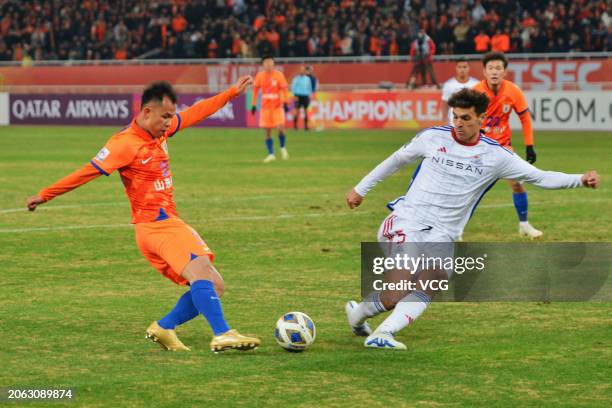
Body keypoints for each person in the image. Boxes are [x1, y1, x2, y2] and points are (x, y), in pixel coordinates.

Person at [344, 88, 600, 350]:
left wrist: (579, 179)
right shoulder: (433, 137)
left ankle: (381, 331)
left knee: (430, 282)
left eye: (466, 118)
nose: (459, 123)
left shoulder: (496, 156)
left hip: (443, 233)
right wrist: (361, 189)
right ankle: (360, 316)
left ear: (482, 119)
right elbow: (396, 160)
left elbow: (540, 177)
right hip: (407, 222)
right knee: (396, 292)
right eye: (456, 117)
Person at [26, 78, 261, 353]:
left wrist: (231, 93)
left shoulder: (160, 130)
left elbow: (197, 112)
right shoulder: (123, 144)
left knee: (215, 285)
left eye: (171, 117)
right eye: (165, 117)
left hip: (166, 222)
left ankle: (164, 326)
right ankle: (222, 333)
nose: (169, 123)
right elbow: (86, 172)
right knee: (201, 273)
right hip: (155, 224)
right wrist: (45, 194)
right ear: (146, 112)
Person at [473, 52, 541, 238]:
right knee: (470, 189)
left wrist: (529, 145)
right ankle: (455, 231)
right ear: (484, 71)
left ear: (504, 71)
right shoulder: (475, 92)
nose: (494, 72)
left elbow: (525, 118)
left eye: (498, 68)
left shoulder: (513, 91)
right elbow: (466, 118)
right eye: (491, 68)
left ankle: (524, 224)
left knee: (518, 184)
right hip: (479, 147)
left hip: (504, 147)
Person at [251, 56, 289, 163]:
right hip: (265, 108)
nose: (268, 64)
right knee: (267, 132)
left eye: (270, 62)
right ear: (263, 64)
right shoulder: (260, 75)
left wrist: (286, 102)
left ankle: (282, 147)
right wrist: (253, 104)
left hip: (277, 106)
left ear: (273, 64)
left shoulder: (279, 75)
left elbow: (285, 89)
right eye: (266, 63)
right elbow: (255, 90)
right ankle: (271, 154)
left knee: (281, 127)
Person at [441, 58, 480, 125]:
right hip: (453, 121)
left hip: (471, 121)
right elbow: (445, 104)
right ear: (456, 68)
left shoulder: (476, 84)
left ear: (469, 68)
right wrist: (444, 120)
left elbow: (479, 104)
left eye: (464, 67)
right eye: (459, 67)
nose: (462, 70)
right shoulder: (449, 84)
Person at [291, 65, 314, 130]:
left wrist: (310, 95)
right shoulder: (296, 79)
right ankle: (295, 126)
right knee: (296, 111)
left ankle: (306, 126)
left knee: (306, 111)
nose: (302, 71)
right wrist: (295, 95)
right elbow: (293, 88)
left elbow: (309, 88)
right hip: (298, 96)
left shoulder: (307, 79)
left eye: (303, 70)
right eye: (301, 70)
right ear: (299, 71)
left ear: (304, 71)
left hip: (305, 96)